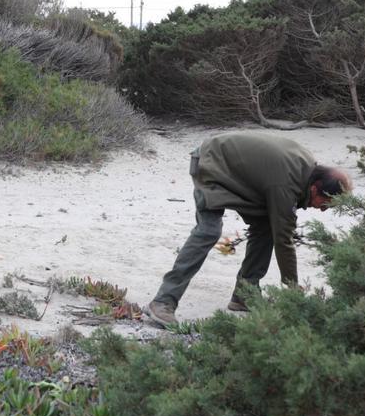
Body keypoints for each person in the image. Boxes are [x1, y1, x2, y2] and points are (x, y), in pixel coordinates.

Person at [146, 131, 352, 327]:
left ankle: (245, 294)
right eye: (324, 203)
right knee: (209, 230)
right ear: (315, 188)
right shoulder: (286, 183)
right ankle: (163, 301)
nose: (323, 210)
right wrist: (292, 291)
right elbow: (284, 239)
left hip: (236, 171)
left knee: (265, 228)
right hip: (211, 162)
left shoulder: (305, 168)